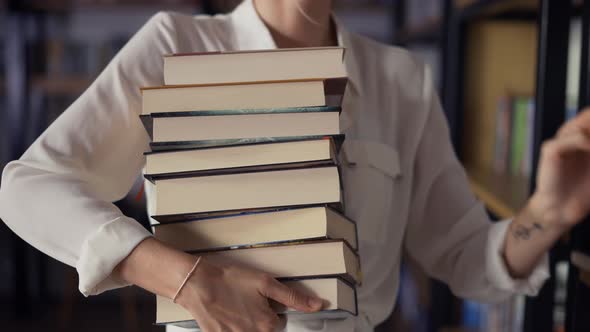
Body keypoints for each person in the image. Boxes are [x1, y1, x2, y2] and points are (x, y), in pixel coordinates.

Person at [1, 0, 590, 331]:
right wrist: (185, 277)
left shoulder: (401, 79)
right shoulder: (174, 44)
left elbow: (465, 258)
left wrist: (547, 212)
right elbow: (26, 189)